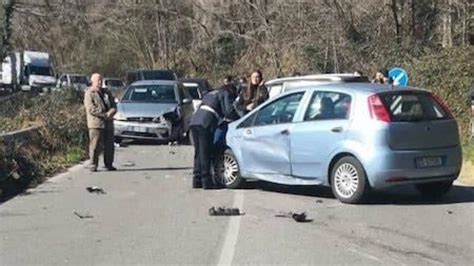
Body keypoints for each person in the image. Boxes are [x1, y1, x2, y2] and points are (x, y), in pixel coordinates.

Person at [189, 89, 225, 189]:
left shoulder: (209, 94)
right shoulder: (224, 93)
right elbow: (228, 110)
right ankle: (206, 181)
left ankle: (196, 180)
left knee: (198, 152)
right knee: (205, 152)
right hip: (205, 122)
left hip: (195, 121)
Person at [84, 73, 117, 172]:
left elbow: (114, 105)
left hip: (108, 123)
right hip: (96, 124)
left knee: (109, 145)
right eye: (98, 80)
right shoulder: (89, 93)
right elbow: (91, 109)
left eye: (101, 80)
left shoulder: (107, 93)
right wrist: (104, 115)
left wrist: (111, 112)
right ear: (92, 81)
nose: (100, 82)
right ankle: (93, 165)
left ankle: (109, 164)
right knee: (95, 146)